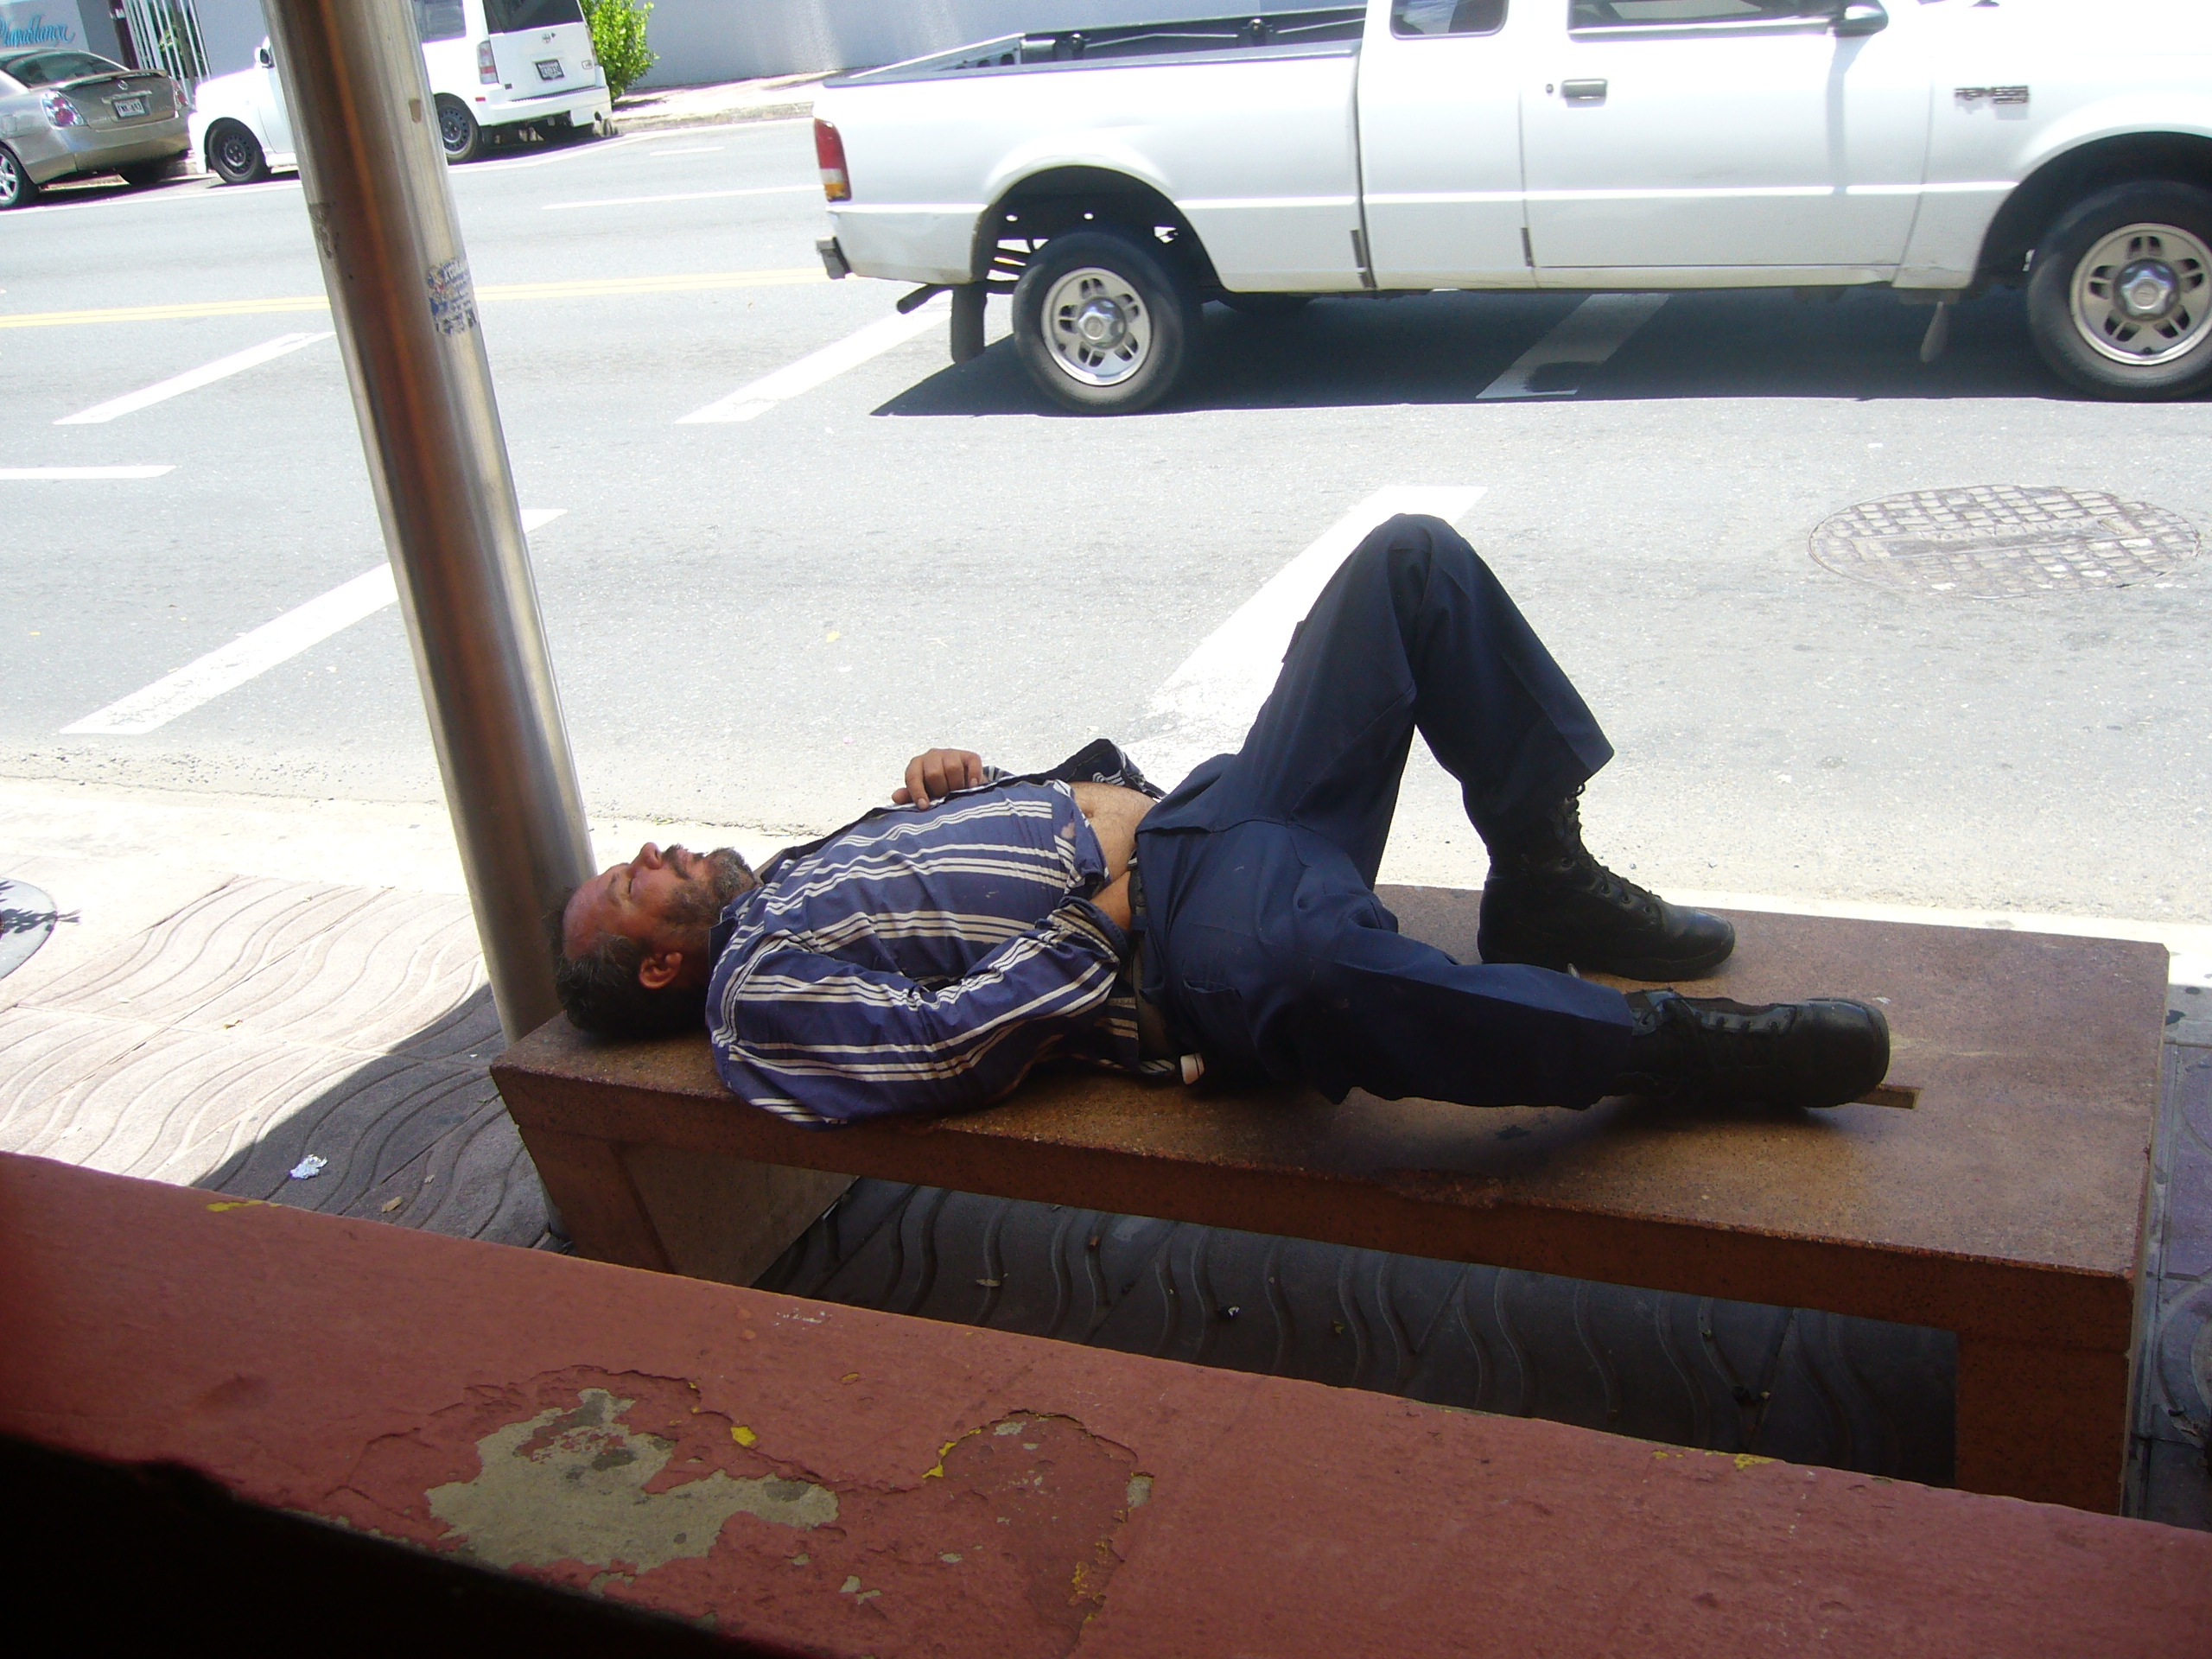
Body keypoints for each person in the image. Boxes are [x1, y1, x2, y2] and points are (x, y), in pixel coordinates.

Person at [554, 516, 1888, 1128]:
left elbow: (970, 893)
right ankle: (1677, 1054)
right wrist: (1100, 920)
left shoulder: (793, 877)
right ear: (660, 963)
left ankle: (1542, 870)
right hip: (1179, 939)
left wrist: (978, 784)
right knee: (1311, 973)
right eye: (635, 881)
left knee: (1404, 564)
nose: (657, 851)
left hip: (1219, 816)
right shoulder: (751, 999)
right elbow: (937, 1046)